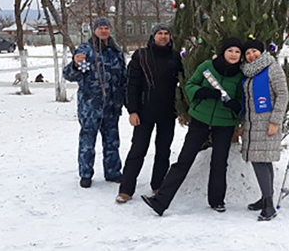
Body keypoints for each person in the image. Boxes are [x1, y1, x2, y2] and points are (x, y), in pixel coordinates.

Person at [141, 38, 244, 216]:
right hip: (200, 119)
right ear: (223, 52)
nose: (233, 55)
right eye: (230, 51)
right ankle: (161, 201)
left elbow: (244, 100)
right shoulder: (207, 66)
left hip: (225, 123)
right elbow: (189, 85)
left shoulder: (241, 74)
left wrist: (236, 107)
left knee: (219, 163)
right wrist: (201, 92)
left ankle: (217, 200)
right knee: (184, 160)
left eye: (237, 52)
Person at [116, 23, 183, 203]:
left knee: (164, 150)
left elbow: (183, 85)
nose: (163, 36)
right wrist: (133, 110)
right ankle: (126, 189)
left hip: (168, 112)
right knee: (138, 150)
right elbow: (131, 84)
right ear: (153, 36)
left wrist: (182, 109)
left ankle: (158, 185)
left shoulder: (176, 57)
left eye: (166, 33)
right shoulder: (141, 55)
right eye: (160, 33)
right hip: (144, 112)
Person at [63, 17, 127, 188]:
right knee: (87, 142)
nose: (104, 31)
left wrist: (127, 101)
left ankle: (113, 172)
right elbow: (70, 75)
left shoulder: (116, 52)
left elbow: (123, 78)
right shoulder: (86, 50)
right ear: (94, 30)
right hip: (91, 106)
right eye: (100, 28)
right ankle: (85, 174)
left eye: (106, 28)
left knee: (112, 141)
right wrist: (75, 65)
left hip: (112, 106)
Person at [240, 39, 288, 221]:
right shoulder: (249, 72)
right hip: (253, 124)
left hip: (267, 122)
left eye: (254, 51)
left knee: (260, 161)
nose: (251, 56)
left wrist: (275, 120)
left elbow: (283, 94)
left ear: (262, 52)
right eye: (248, 54)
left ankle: (269, 206)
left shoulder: (272, 67)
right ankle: (265, 197)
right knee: (262, 161)